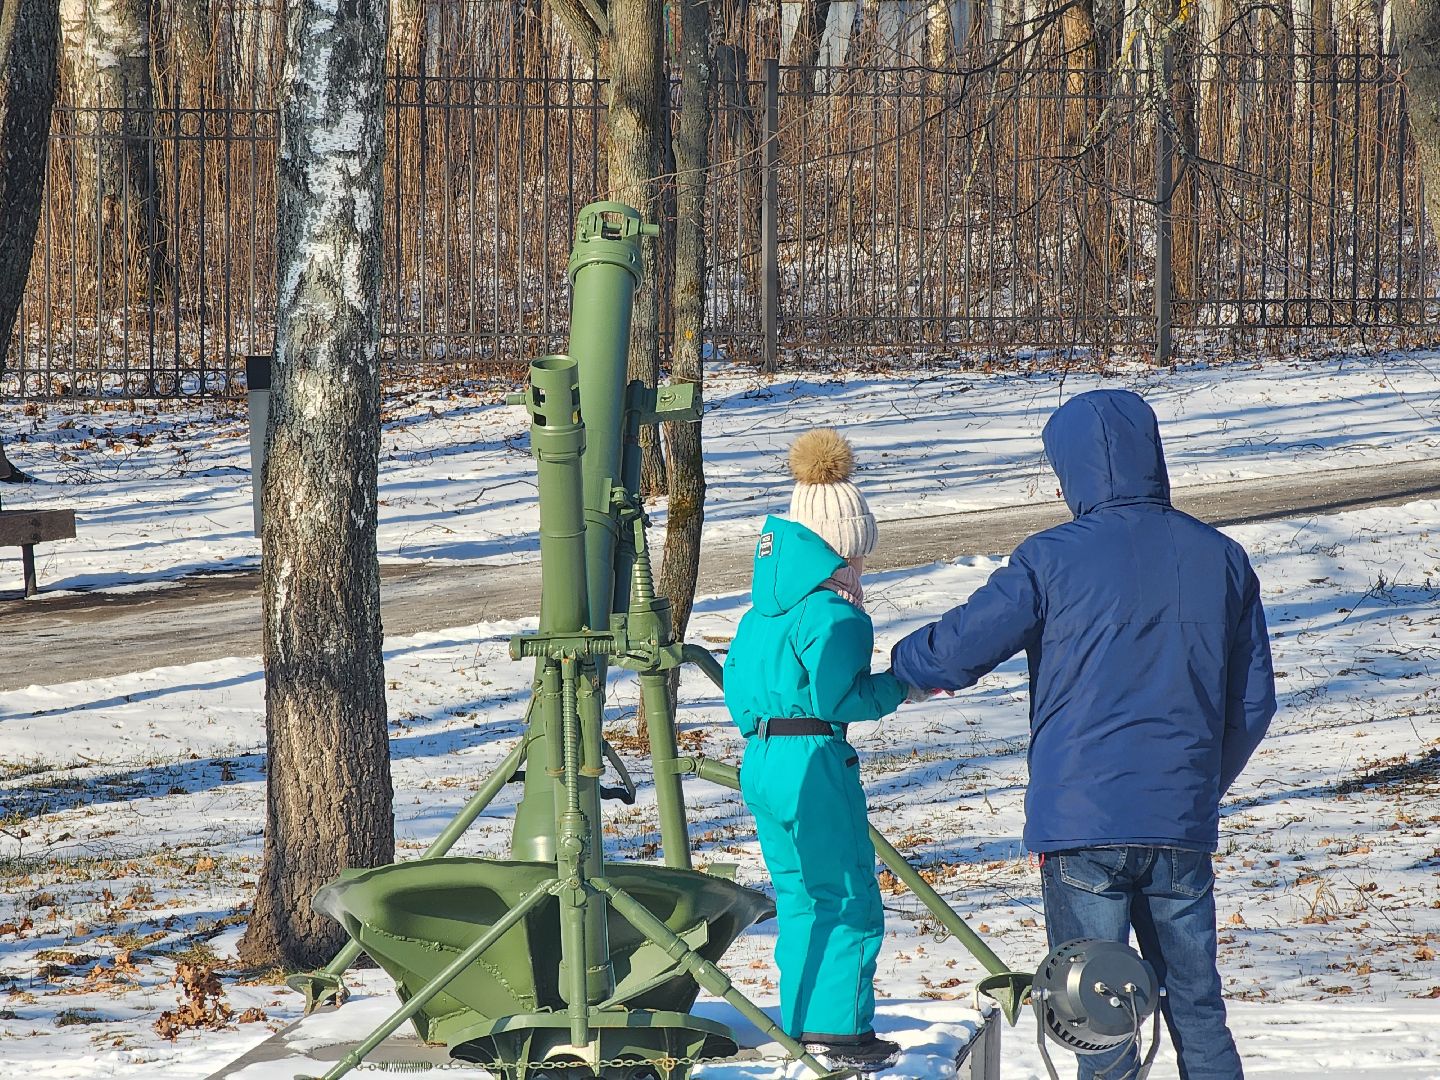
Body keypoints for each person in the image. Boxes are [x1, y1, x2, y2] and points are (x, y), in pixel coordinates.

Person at [890, 389, 1276, 1080]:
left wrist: (901, 665)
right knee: (1196, 1004)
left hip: (1081, 823)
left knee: (1098, 1016)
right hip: (1178, 821)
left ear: (1073, 470)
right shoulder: (1221, 558)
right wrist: (1193, 785)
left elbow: (959, 649)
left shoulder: (1050, 558)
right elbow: (1253, 704)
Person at [722, 428, 906, 1074]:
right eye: (857, 559)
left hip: (762, 762)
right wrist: (899, 683)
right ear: (837, 553)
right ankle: (841, 1031)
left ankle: (800, 1019)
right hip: (814, 765)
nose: (861, 573)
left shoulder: (759, 613)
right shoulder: (833, 615)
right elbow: (841, 697)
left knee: (798, 894)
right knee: (849, 893)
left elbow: (736, 688)